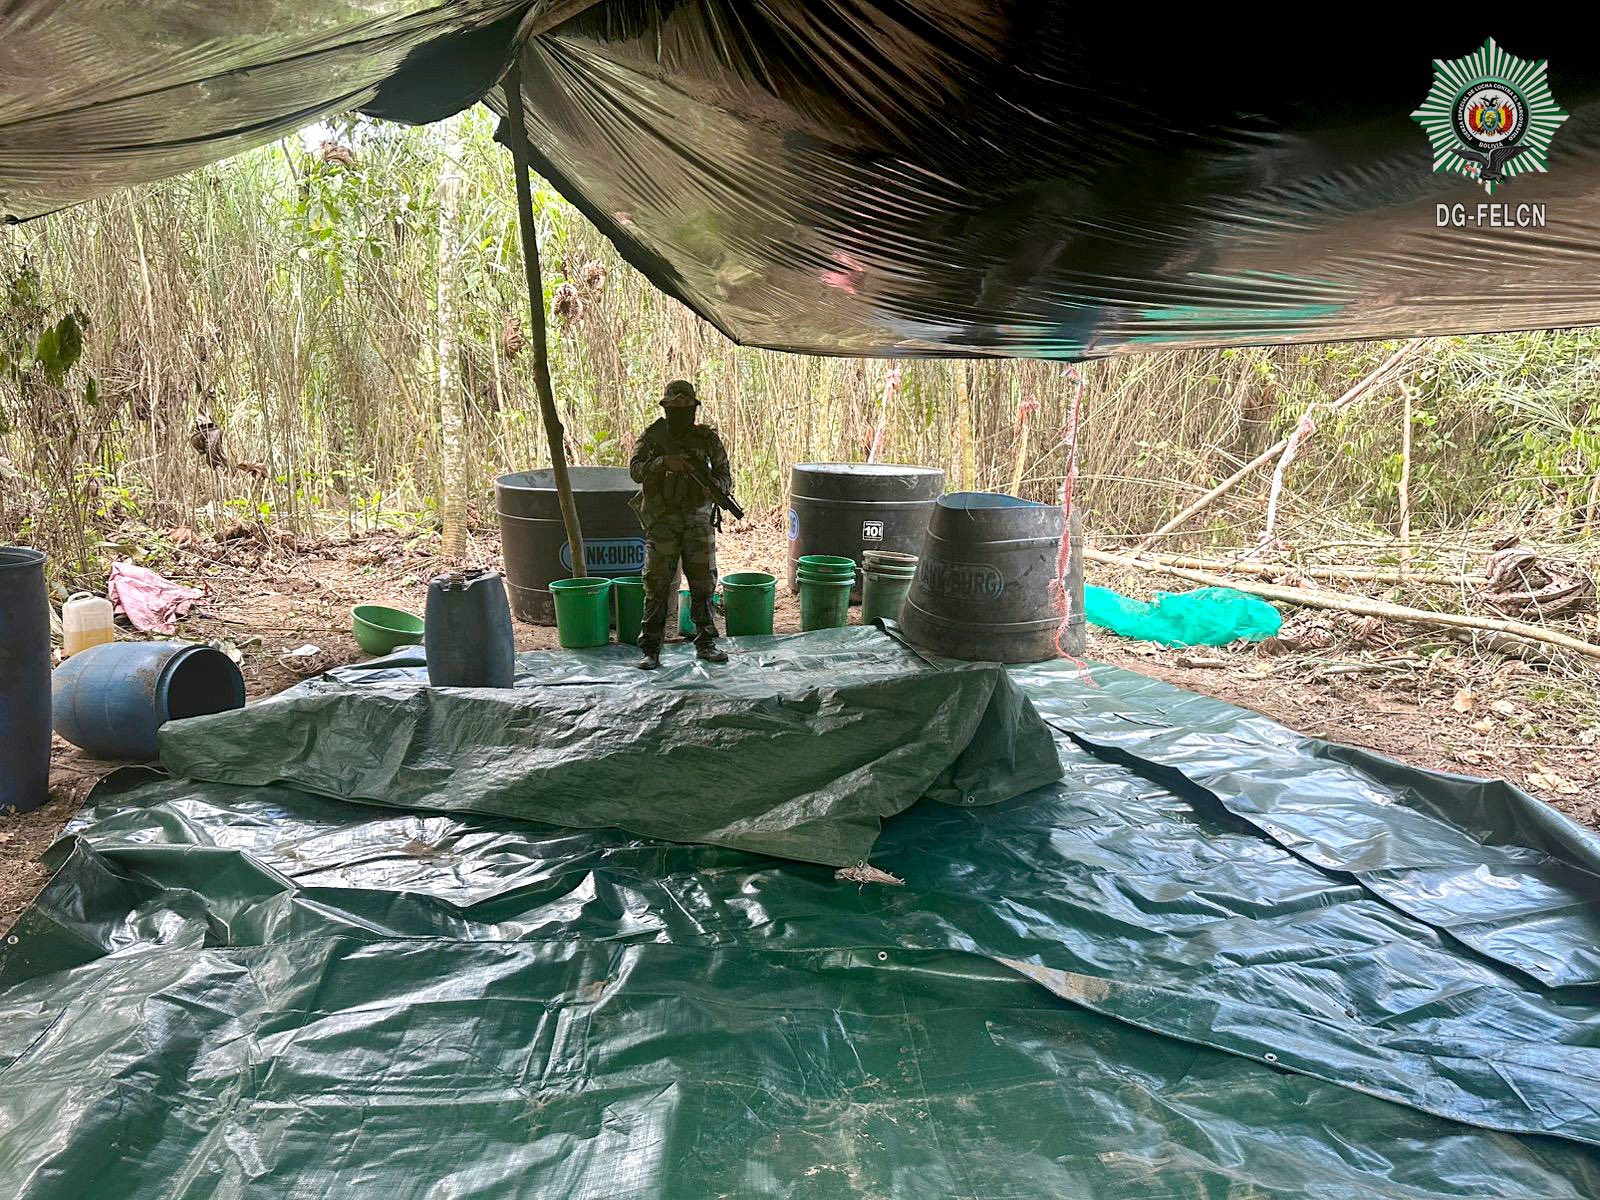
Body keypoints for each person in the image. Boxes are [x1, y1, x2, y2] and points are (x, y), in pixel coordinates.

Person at [629, 380, 732, 669]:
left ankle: (706, 642)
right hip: (663, 521)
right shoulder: (653, 436)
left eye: (685, 408)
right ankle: (650, 648)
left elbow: (725, 476)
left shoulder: (707, 439)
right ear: (665, 409)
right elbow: (635, 470)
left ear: (694, 409)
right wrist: (663, 462)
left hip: (698, 520)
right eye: (674, 409)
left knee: (703, 583)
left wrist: (712, 487)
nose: (680, 413)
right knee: (657, 584)